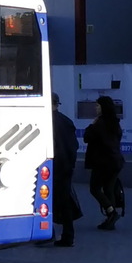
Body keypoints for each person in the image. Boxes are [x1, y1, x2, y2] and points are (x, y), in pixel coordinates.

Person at [84, 96, 125, 231]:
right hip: (116, 161)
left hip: (103, 162)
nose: (95, 108)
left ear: (103, 107)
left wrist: (92, 124)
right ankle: (110, 220)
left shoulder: (100, 124)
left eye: (97, 106)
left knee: (94, 188)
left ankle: (111, 212)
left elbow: (87, 137)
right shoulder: (115, 122)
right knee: (108, 189)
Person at [48, 94, 84, 246]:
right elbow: (73, 146)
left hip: (52, 167)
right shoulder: (66, 121)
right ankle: (67, 234)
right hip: (65, 167)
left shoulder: (46, 122)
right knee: (64, 202)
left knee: (47, 202)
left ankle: (49, 234)